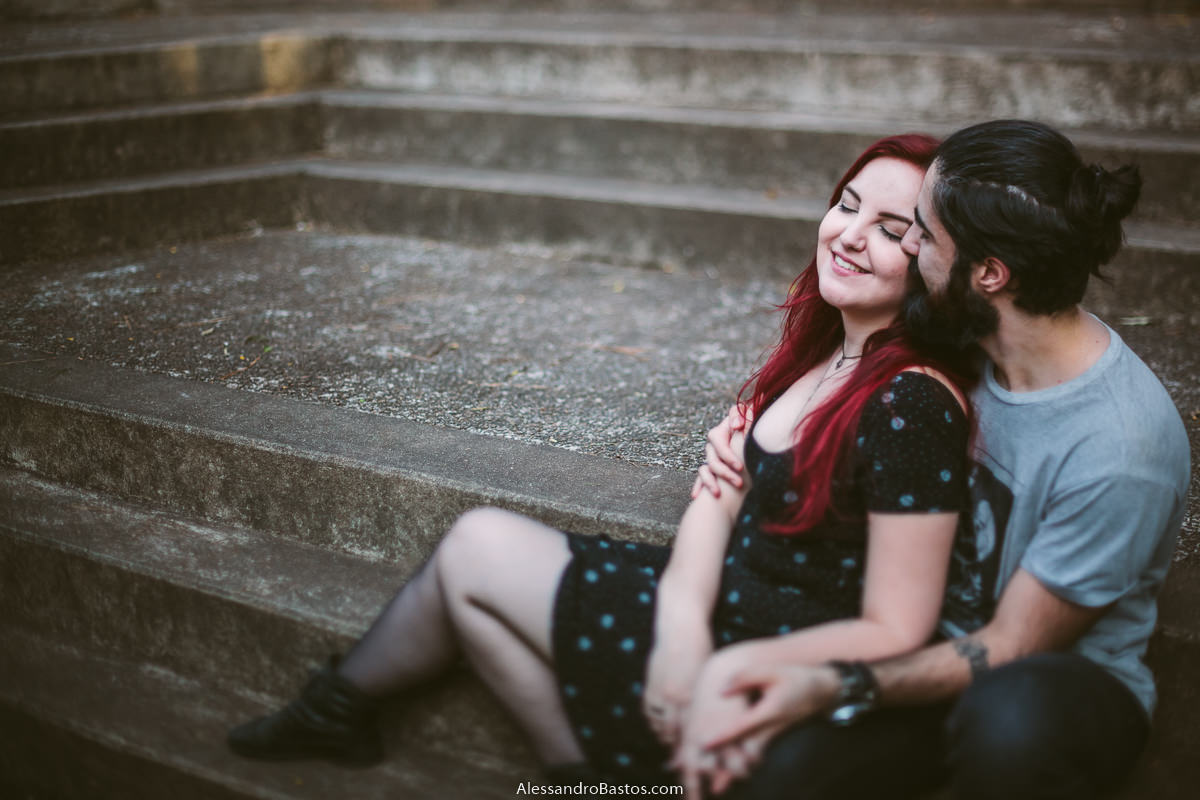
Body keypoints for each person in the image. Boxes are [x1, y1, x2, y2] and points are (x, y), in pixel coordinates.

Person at [225, 134, 977, 788]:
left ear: (932, 261)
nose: (848, 235)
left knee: (475, 555)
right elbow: (716, 497)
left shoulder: (912, 400)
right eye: (846, 205)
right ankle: (570, 782)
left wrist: (706, 658)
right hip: (710, 604)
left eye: (889, 229)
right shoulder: (823, 359)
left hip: (766, 657)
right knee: (470, 576)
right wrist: (681, 620)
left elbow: (897, 626)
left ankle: (343, 711)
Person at [686, 119, 1191, 800]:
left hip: (1052, 687)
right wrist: (758, 440)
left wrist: (832, 683)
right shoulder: (967, 340)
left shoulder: (1121, 450)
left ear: (989, 273)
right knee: (778, 774)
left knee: (1010, 721)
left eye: (919, 231)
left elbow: (1011, 646)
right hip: (925, 645)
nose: (908, 243)